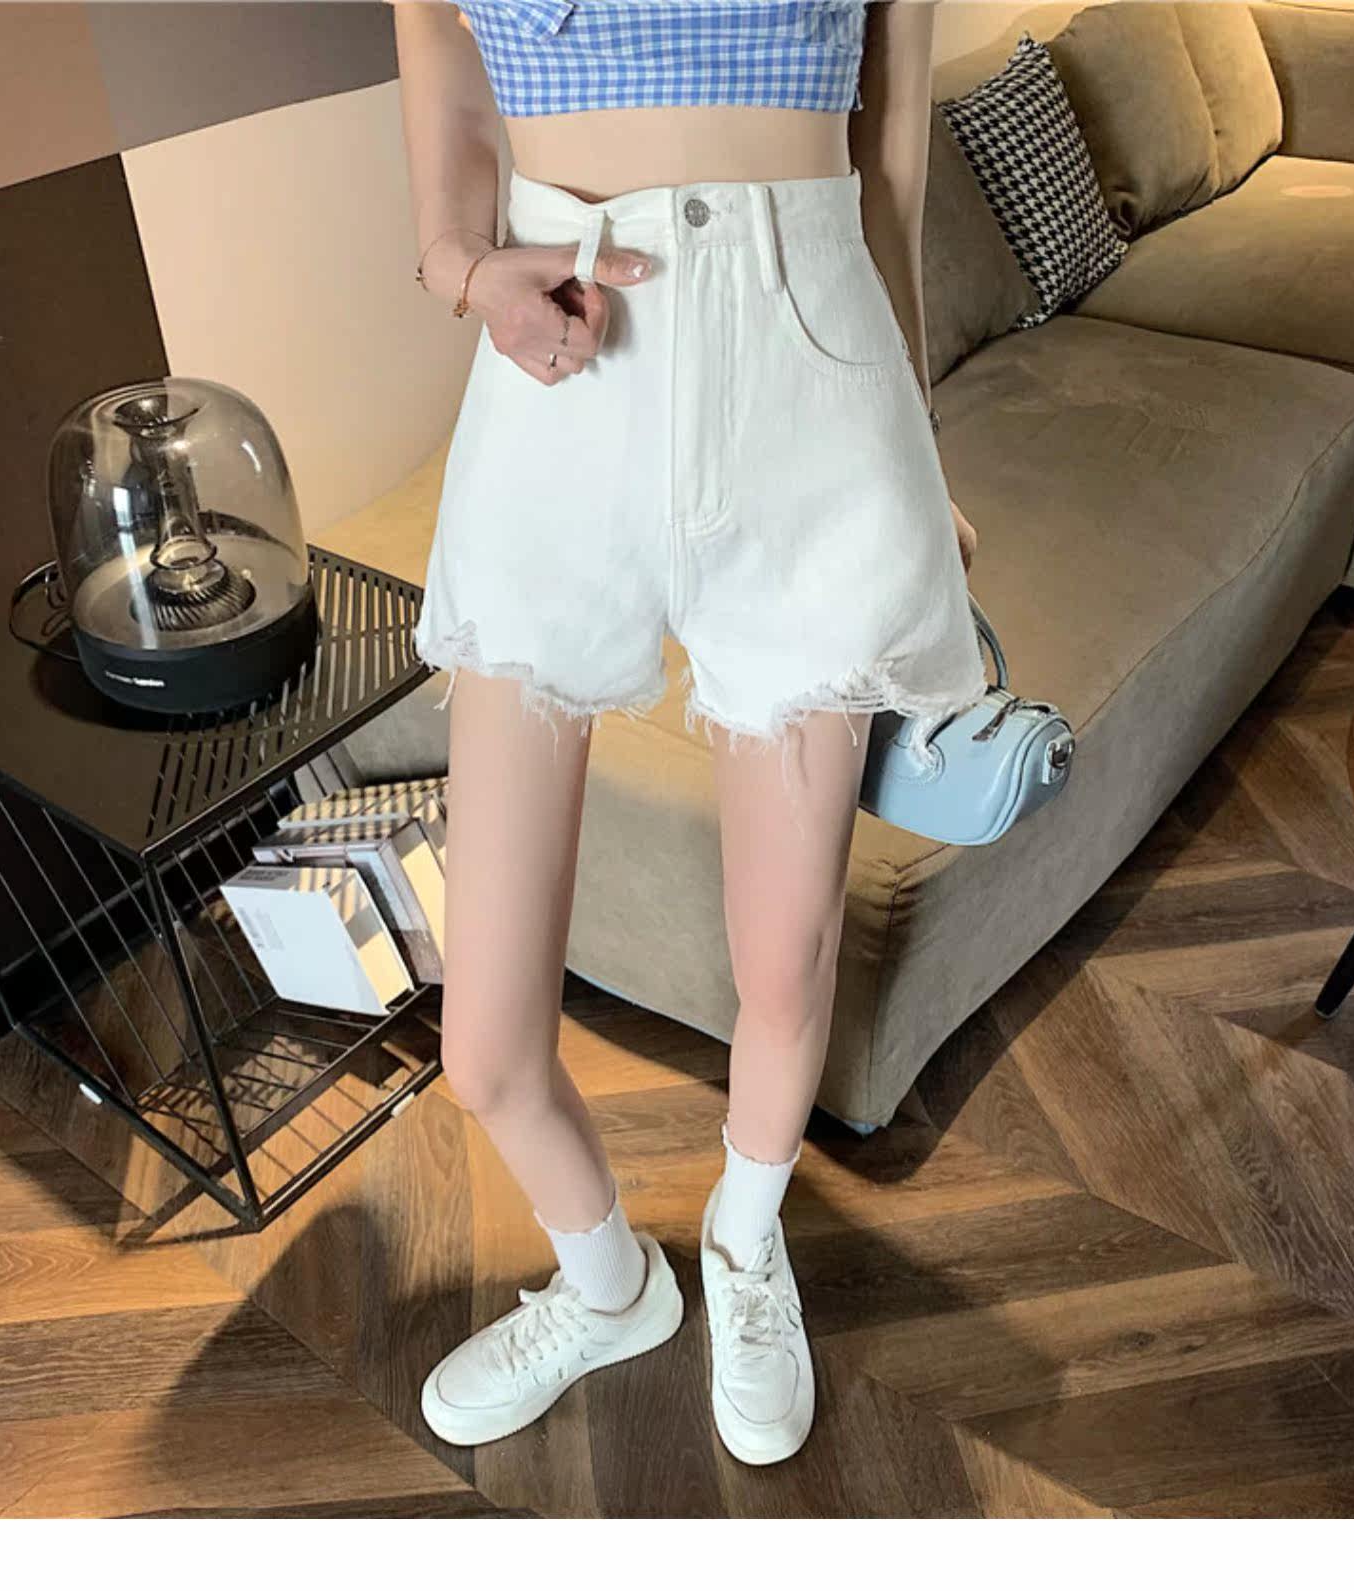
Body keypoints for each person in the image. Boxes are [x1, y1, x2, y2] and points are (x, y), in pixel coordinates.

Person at [391, 0, 981, 1467]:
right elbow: (446, 92)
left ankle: (744, 1238)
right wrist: (465, 271)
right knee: (484, 1047)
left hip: (814, 386)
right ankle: (609, 1287)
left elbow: (890, 165)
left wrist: (916, 455)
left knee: (784, 959)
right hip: (558, 381)